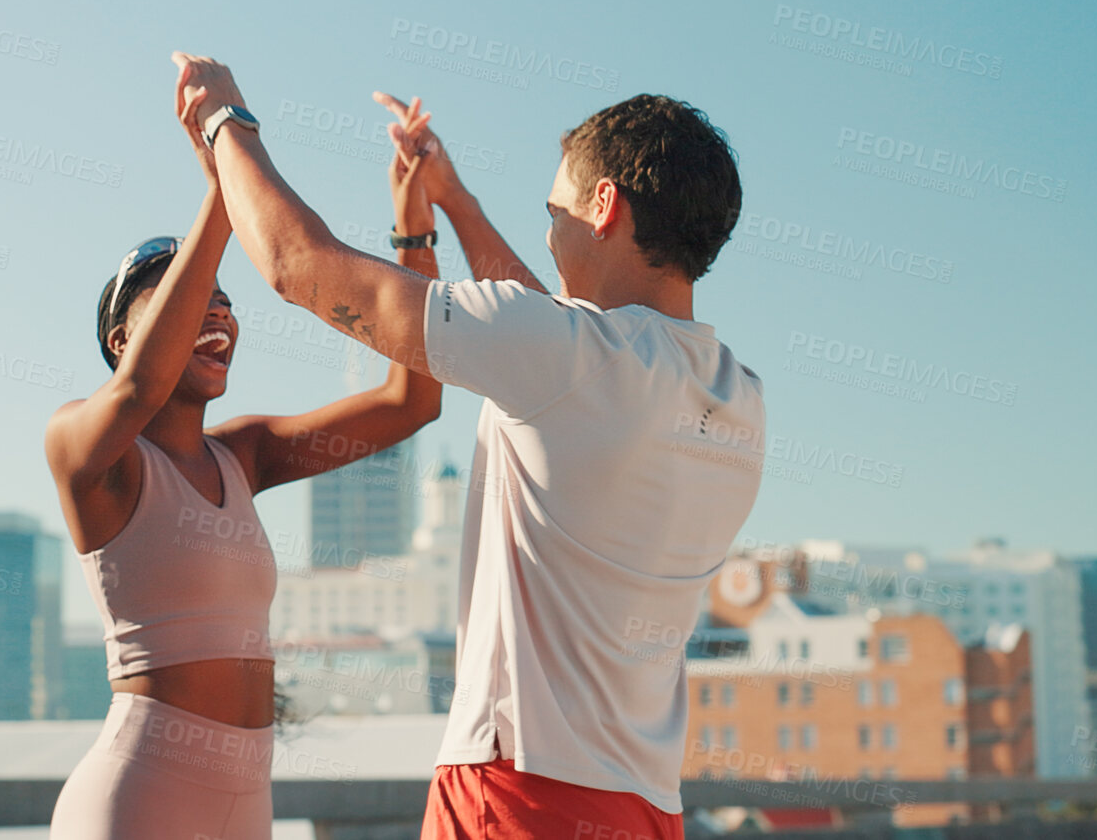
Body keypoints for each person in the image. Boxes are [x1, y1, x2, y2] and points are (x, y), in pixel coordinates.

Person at [173, 52, 767, 840]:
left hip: (519, 793)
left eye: (552, 212)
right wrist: (446, 202)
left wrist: (224, 123)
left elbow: (297, 266)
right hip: (645, 807)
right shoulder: (734, 394)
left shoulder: (567, 359)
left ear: (603, 203)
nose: (548, 235)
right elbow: (548, 330)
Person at [42, 96, 443, 840]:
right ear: (121, 334)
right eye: (190, 300)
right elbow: (135, 389)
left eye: (225, 303)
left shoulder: (243, 454)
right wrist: (221, 188)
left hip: (247, 803)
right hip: (139, 799)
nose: (218, 313)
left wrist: (413, 230)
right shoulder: (87, 451)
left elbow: (412, 400)